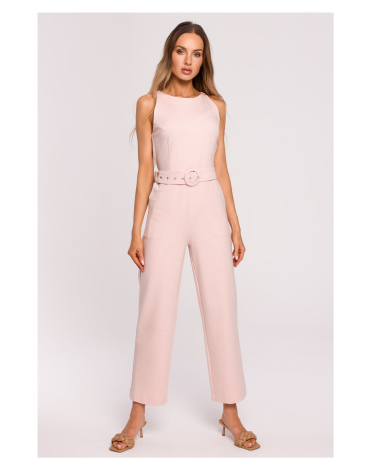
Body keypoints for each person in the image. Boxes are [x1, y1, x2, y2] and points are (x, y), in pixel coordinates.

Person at [109, 21, 260, 453]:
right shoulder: (149, 103)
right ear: (169, 54)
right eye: (181, 51)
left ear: (204, 59)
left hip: (209, 204)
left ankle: (230, 412)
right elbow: (145, 170)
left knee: (221, 306)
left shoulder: (216, 106)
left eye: (196, 53)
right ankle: (138, 412)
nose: (188, 60)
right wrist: (135, 230)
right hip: (167, 204)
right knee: (155, 307)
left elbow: (222, 167)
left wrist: (235, 225)